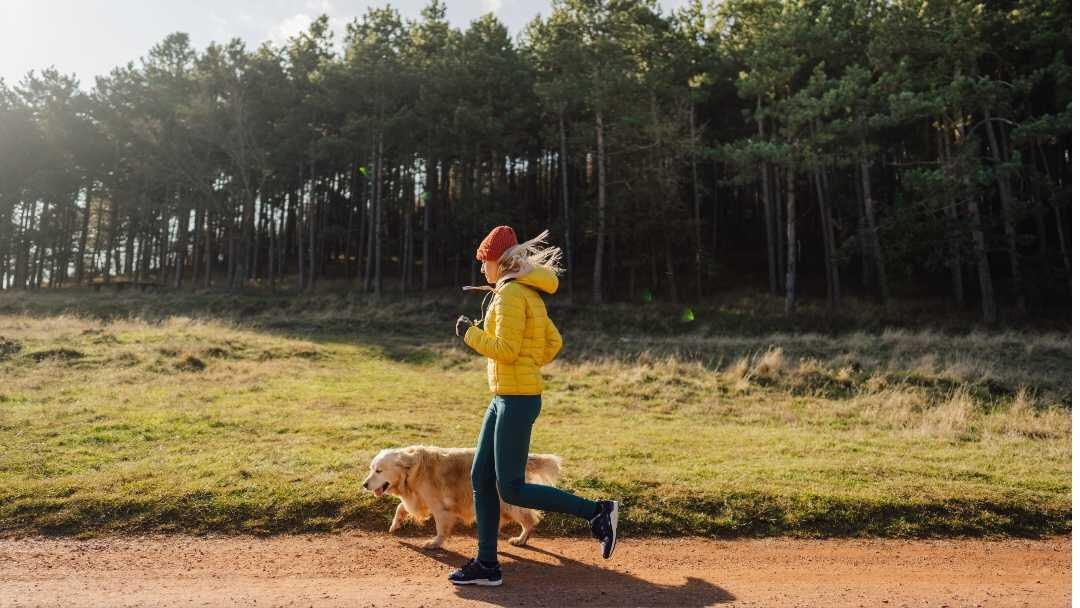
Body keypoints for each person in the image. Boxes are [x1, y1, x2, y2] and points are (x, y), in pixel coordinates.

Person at [447, 225, 619, 587]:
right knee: (481, 477)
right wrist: (527, 361)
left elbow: (506, 350)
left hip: (517, 399)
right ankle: (487, 564)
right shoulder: (525, 292)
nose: (481, 270)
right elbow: (553, 341)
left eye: (484, 262)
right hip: (506, 396)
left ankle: (597, 512)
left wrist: (470, 334)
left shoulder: (511, 295)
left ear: (499, 261)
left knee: (510, 488)